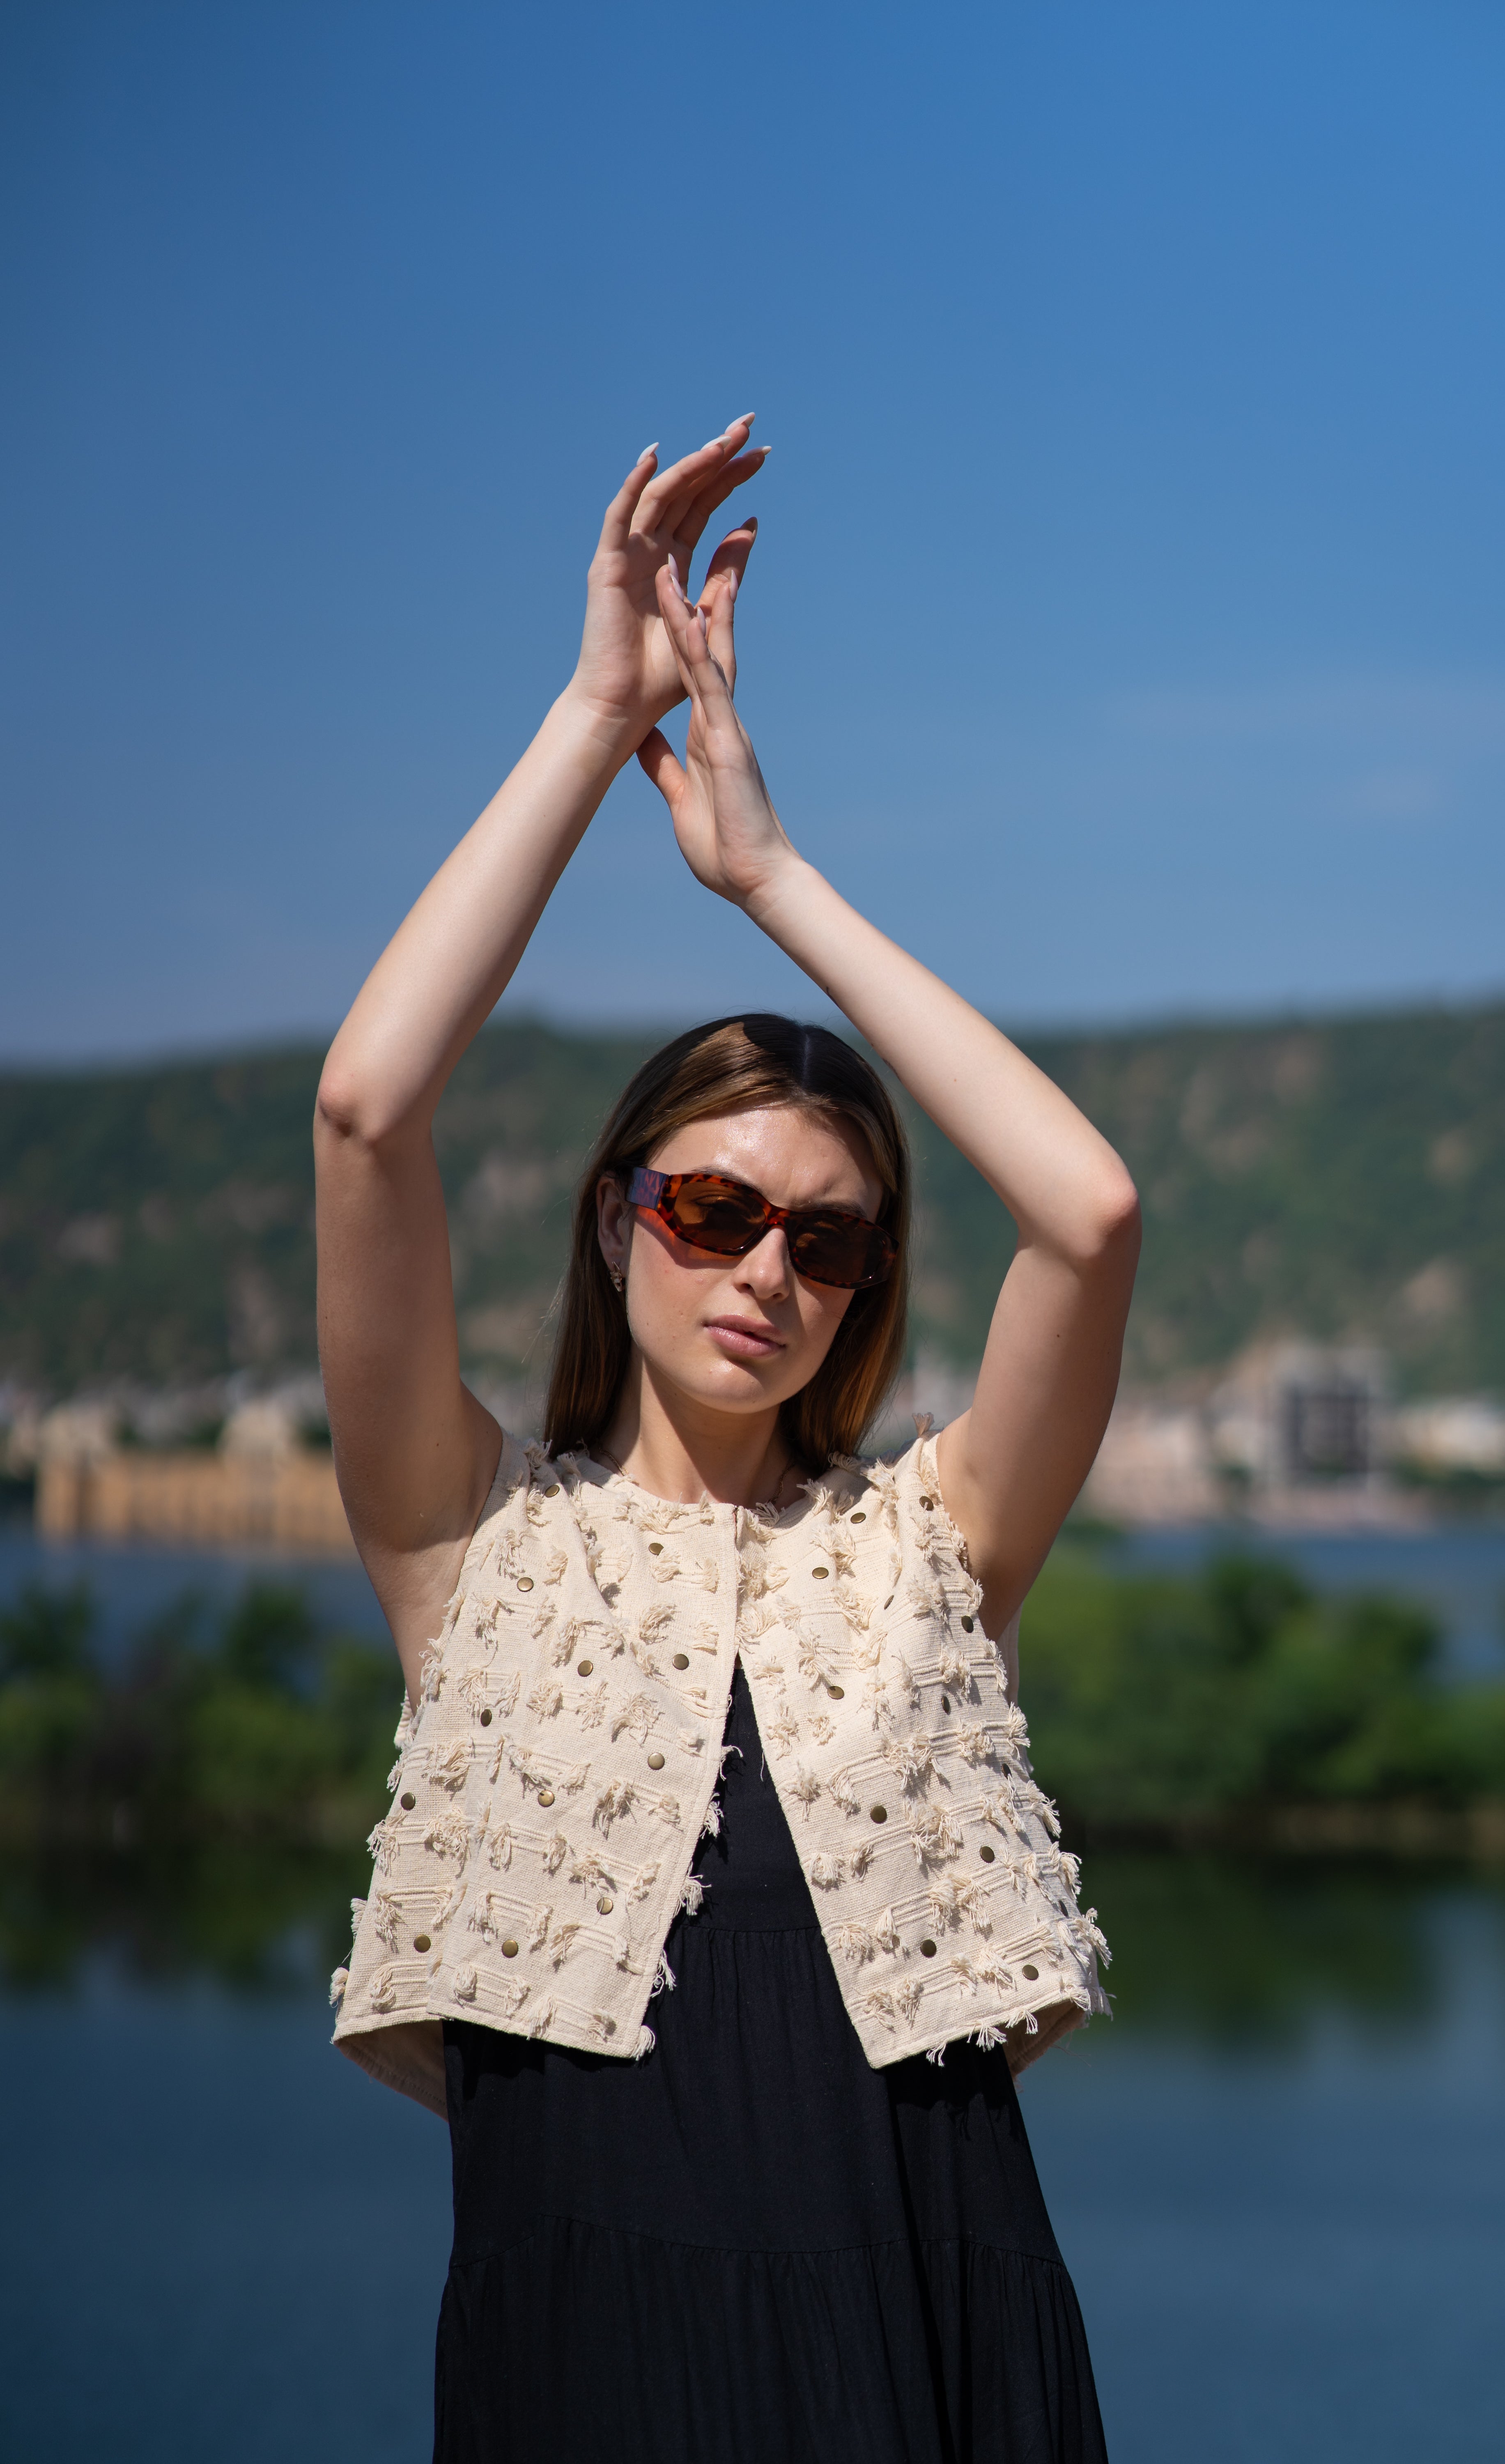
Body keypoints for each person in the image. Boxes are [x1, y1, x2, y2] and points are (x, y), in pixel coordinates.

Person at [317, 416, 1141, 2462]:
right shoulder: (467, 1535)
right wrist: (602, 716)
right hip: (585, 2356)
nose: (767, 1267)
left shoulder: (930, 1545)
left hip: (936, 2334)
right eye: (711, 1208)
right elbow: (363, 1110)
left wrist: (768, 874)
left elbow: (1091, 1210)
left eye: (832, 1236)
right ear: (617, 1219)